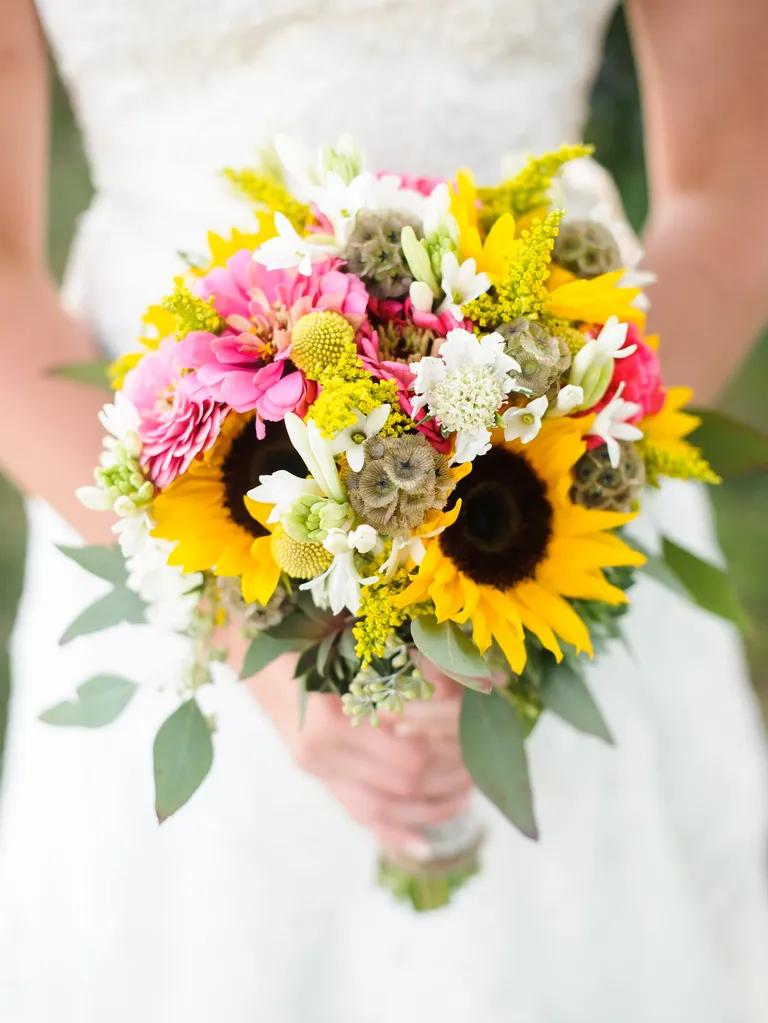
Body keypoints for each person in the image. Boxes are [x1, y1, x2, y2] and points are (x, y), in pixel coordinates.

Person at [1, 0, 768, 1020]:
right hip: (160, 507)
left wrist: (562, 481)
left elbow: (736, 181)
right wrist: (242, 628)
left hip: (554, 478)